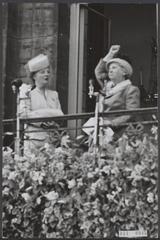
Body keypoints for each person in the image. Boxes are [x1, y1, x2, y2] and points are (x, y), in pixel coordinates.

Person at [83, 45, 140, 144]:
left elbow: (131, 114)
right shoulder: (107, 87)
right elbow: (99, 72)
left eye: (114, 67)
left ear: (124, 72)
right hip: (101, 131)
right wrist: (110, 54)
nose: (110, 70)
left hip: (119, 133)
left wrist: (111, 123)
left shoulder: (131, 89)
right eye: (109, 68)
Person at [19, 53, 64, 153]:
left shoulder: (54, 95)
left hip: (52, 141)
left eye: (48, 72)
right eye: (42, 72)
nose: (46, 74)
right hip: (34, 141)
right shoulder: (28, 94)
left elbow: (60, 115)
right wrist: (44, 120)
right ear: (34, 76)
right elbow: (23, 115)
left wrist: (39, 114)